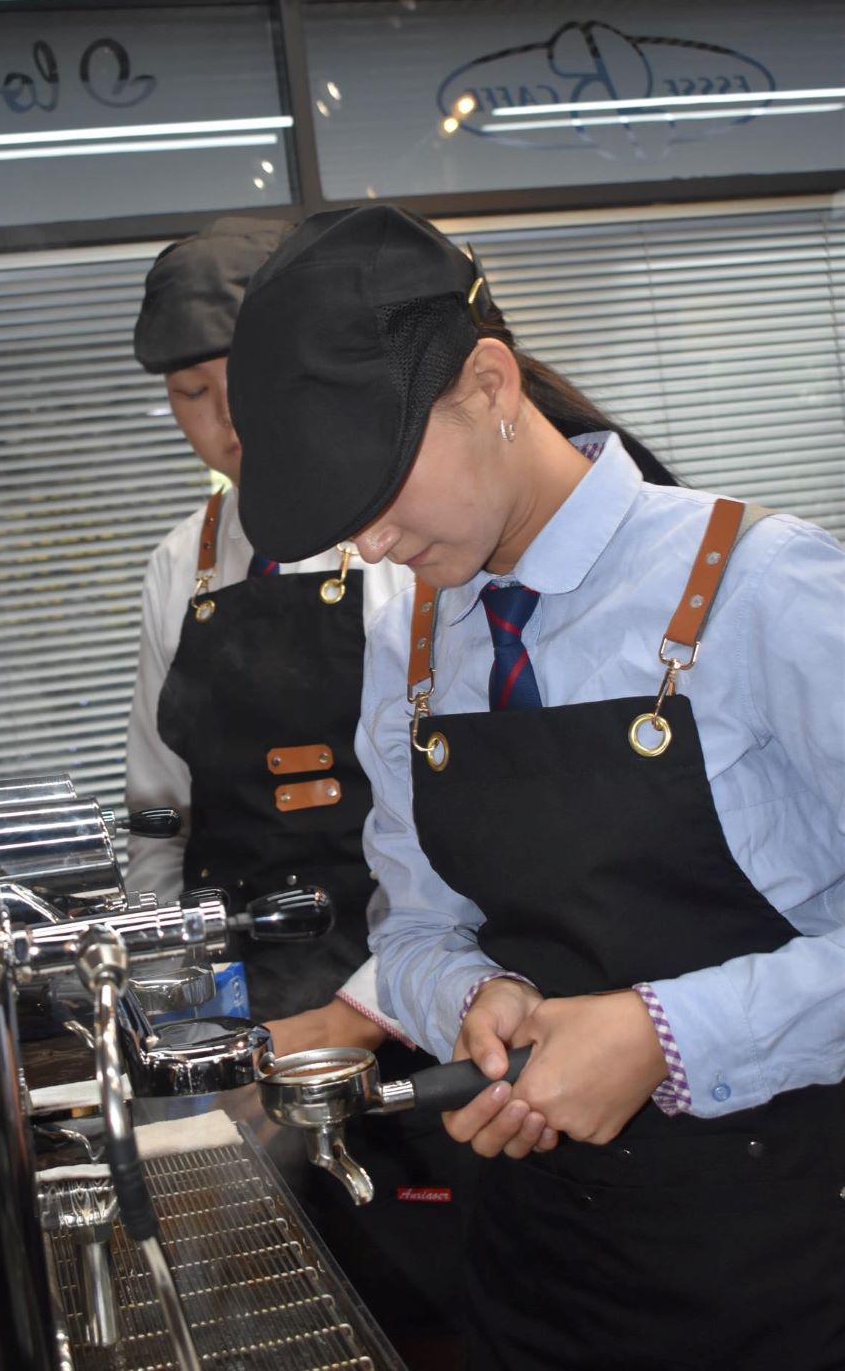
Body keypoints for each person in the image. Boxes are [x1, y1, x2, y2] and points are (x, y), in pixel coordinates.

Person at [227, 202, 845, 1371]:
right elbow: (412, 929)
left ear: (491, 383)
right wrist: (472, 997)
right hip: (541, 1272)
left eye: (379, 485)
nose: (371, 544)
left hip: (790, 1263)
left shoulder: (762, 589)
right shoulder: (410, 643)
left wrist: (664, 1033)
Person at [126, 217, 468, 1363]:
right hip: (254, 1009)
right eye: (189, 394)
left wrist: (365, 1008)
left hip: (413, 999)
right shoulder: (182, 562)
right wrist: (180, 1010)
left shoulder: (396, 538)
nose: (223, 423)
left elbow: (456, 821)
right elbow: (159, 816)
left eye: (240, 383)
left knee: (432, 1299)